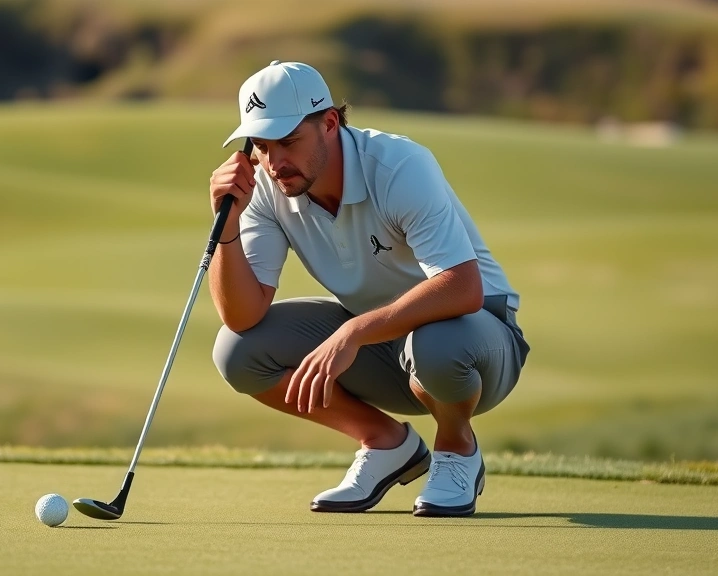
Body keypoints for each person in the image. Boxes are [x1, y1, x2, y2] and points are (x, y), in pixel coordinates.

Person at [207, 60, 530, 517]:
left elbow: (463, 288)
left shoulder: (399, 165)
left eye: (288, 142)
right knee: (237, 351)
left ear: (330, 123)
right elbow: (243, 315)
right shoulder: (264, 187)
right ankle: (385, 443)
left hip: (475, 344)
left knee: (436, 341)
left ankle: (456, 449)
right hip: (383, 349)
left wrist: (353, 332)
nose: (275, 162)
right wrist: (227, 227)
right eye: (261, 146)